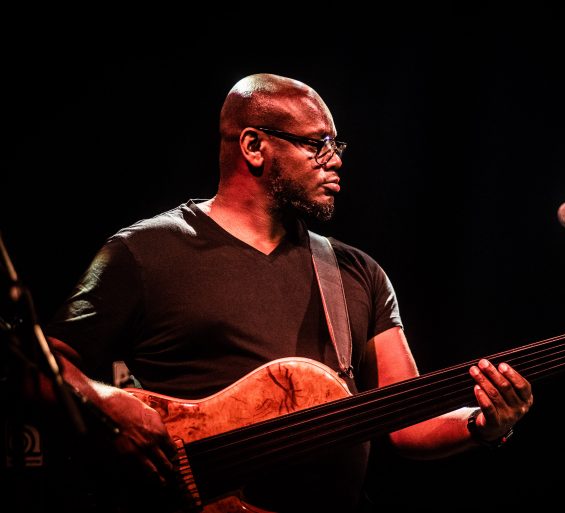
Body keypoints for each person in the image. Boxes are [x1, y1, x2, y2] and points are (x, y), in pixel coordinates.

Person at [40, 73, 533, 512]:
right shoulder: (145, 252)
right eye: (318, 145)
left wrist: (482, 424)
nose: (335, 162)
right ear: (254, 146)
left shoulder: (356, 273)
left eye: (338, 147)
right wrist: (104, 402)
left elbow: (405, 422)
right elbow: (38, 364)